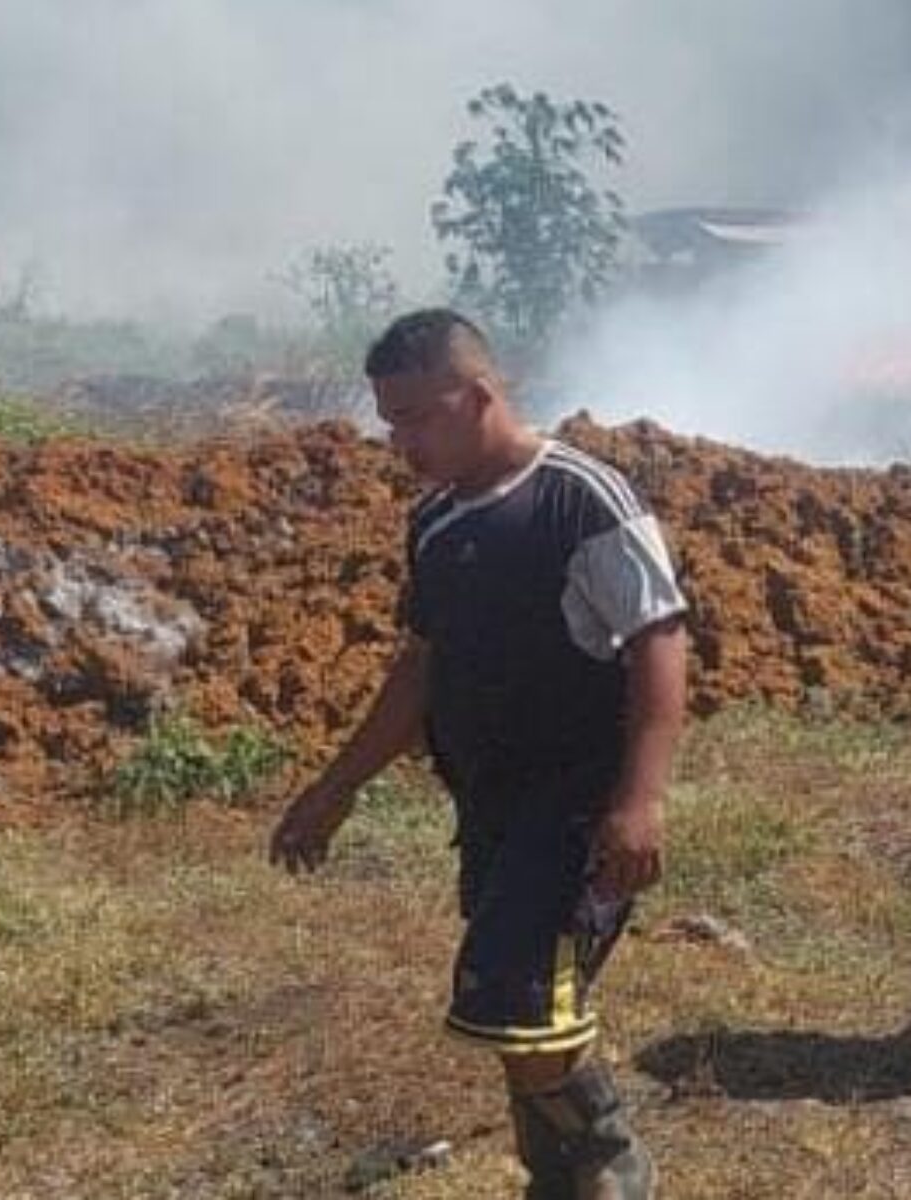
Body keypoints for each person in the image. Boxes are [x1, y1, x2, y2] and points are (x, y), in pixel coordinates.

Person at [269, 309, 688, 1200]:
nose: (404, 441)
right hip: (490, 805)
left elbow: (661, 641)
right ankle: (562, 1179)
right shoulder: (434, 524)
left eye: (420, 417)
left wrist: (640, 799)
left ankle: (613, 1162)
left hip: (577, 800)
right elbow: (418, 670)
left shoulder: (581, 497)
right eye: (391, 423)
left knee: (512, 999)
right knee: (528, 1013)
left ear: (481, 394)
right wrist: (334, 789)